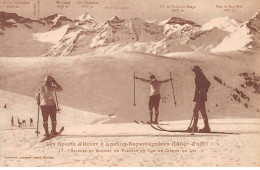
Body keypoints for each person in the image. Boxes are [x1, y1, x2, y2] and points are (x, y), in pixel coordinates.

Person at [188, 66, 211, 132]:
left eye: (195, 71)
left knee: (198, 111)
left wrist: (203, 90)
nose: (194, 72)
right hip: (199, 96)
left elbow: (208, 83)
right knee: (198, 111)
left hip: (201, 96)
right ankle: (198, 126)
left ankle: (200, 127)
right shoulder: (199, 76)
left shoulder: (201, 76)